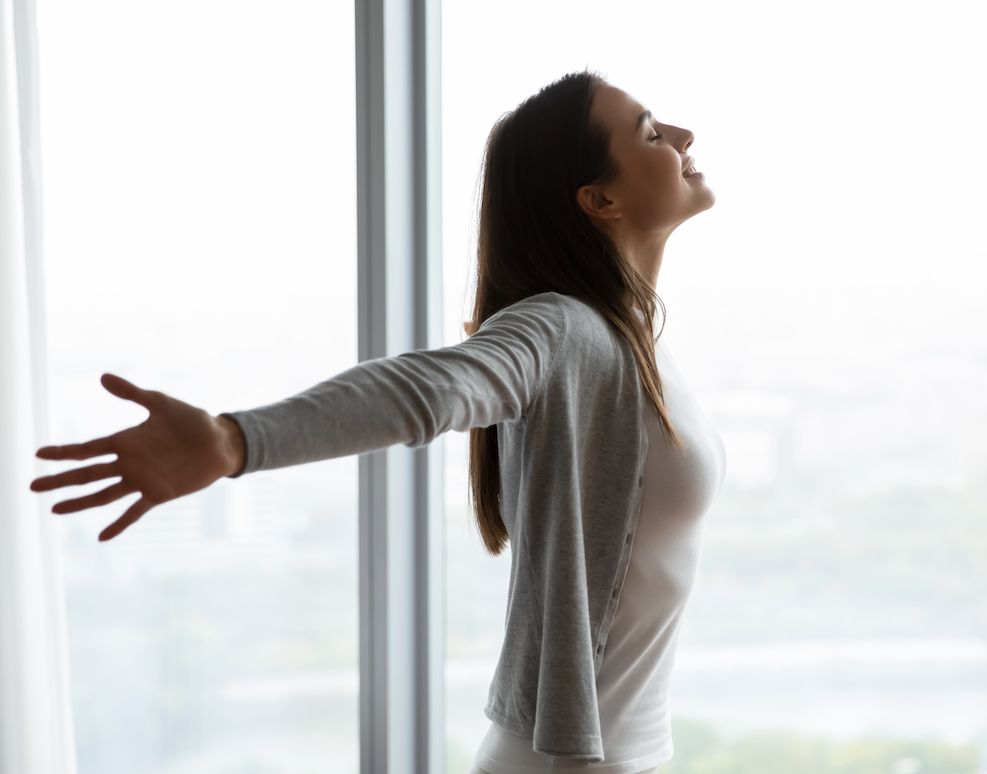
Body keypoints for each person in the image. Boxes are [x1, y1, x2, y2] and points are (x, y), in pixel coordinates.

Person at [31, 71, 725, 774]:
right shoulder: (562, 326)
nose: (682, 135)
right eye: (649, 130)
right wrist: (234, 439)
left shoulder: (636, 336)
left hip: (625, 753)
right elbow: (429, 387)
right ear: (598, 198)